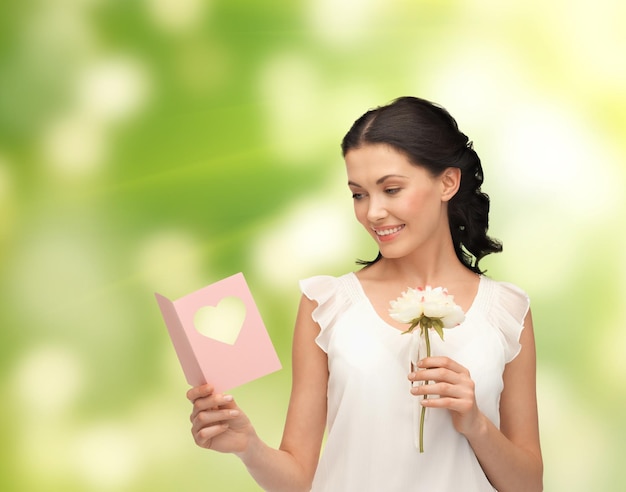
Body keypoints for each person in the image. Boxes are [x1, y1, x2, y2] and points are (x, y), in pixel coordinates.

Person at [186, 96, 543, 491]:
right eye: (359, 194)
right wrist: (248, 447)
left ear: (447, 182)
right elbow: (298, 478)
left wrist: (475, 423)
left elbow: (528, 485)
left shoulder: (506, 312)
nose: (372, 212)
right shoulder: (327, 307)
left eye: (391, 189)